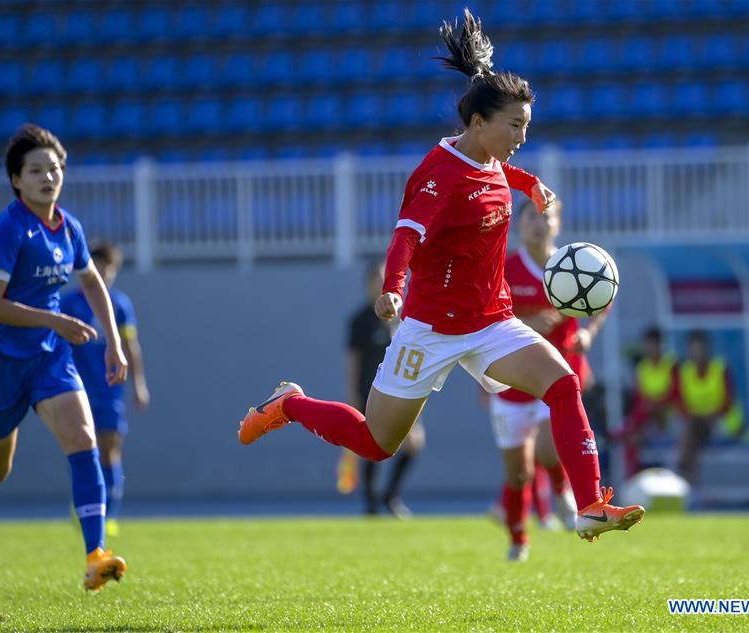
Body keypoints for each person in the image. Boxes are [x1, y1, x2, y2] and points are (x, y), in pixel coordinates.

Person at [237, 9, 644, 543]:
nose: (521, 136)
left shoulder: (491, 157)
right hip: (429, 329)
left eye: (527, 125)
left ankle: (590, 503)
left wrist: (531, 185)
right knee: (376, 442)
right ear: (478, 123)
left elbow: (498, 172)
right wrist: (391, 288)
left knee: (564, 384)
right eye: (514, 125)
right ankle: (289, 403)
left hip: (492, 322)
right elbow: (406, 236)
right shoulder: (437, 176)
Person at [0, 124, 128, 591]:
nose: (47, 177)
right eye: (36, 170)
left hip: (48, 358)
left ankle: (96, 554)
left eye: (54, 168)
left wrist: (113, 343)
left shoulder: (69, 227)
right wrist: (55, 321)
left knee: (83, 441)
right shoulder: (9, 229)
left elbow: (93, 282)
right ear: (16, 179)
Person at [486, 199, 609, 561]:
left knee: (546, 446)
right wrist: (527, 325)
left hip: (556, 380)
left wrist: (589, 334)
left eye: (547, 217)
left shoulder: (572, 265)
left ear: (558, 224)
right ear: (518, 225)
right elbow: (486, 321)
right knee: (519, 475)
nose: (540, 224)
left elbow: (603, 299)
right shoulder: (503, 270)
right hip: (512, 385)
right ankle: (518, 538)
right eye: (532, 217)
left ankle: (565, 491)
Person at [60, 242, 150, 536]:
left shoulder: (120, 305)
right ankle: (85, 504)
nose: (101, 275)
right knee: (86, 448)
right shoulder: (68, 303)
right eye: (95, 269)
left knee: (111, 450)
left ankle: (109, 513)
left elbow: (130, 346)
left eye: (106, 270)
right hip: (76, 388)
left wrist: (138, 384)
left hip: (110, 389)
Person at [338, 261, 424, 518]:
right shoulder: (360, 320)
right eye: (377, 278)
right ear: (368, 283)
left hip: (400, 391)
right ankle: (372, 503)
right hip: (370, 391)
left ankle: (389, 495)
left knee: (414, 443)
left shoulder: (400, 319)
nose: (381, 283)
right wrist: (353, 394)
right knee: (371, 447)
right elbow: (352, 360)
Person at [673, 330, 739, 486]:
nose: (696, 353)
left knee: (691, 433)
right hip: (696, 424)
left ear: (707, 349)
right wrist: (697, 416)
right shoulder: (684, 371)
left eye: (699, 349)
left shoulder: (720, 368)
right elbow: (680, 402)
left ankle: (682, 471)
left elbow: (728, 402)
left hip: (722, 423)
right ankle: (689, 479)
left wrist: (708, 416)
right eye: (692, 349)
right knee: (692, 433)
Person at [614, 327, 677, 478]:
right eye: (648, 344)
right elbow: (639, 397)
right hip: (648, 416)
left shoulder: (672, 365)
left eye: (654, 344)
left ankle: (625, 430)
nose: (651, 348)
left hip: (667, 415)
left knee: (635, 428)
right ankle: (633, 478)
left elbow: (675, 393)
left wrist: (656, 402)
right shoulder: (642, 367)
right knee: (633, 440)